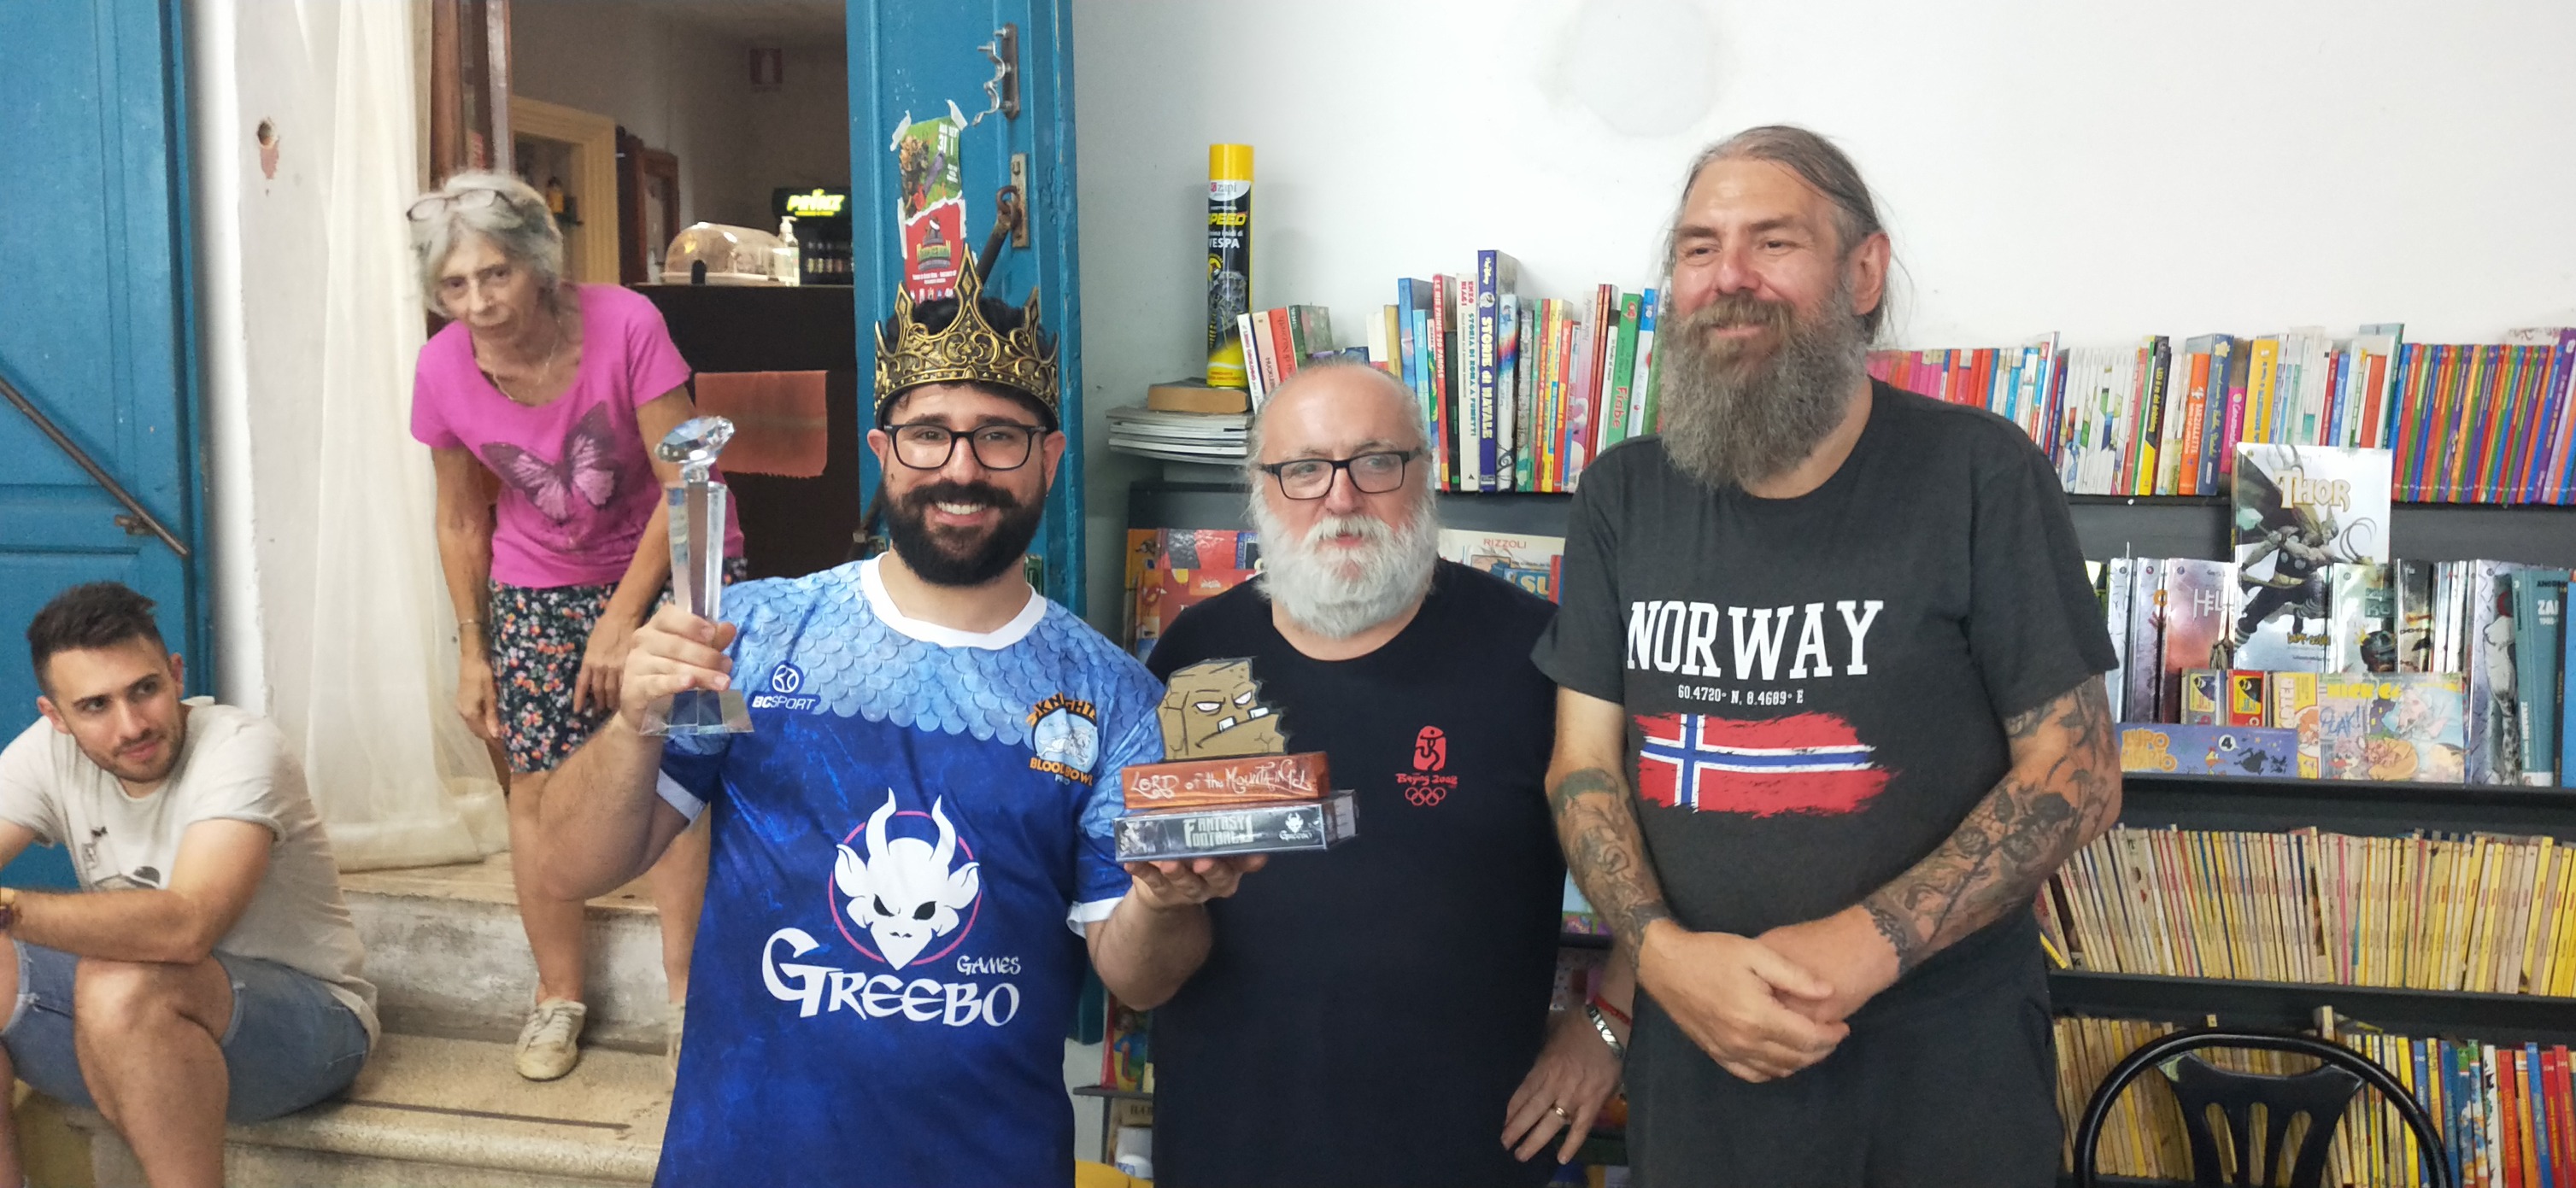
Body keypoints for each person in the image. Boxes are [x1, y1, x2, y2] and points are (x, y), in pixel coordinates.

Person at [535, 255, 1244, 1187]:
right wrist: (634, 723)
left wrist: (1163, 897)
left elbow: (1143, 976)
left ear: (1049, 458)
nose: (961, 468)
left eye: (999, 436)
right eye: (928, 435)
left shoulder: (1110, 695)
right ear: (883, 451)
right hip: (745, 1161)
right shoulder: (753, 634)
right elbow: (569, 864)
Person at [1533, 126, 2122, 1185]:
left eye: (1773, 242)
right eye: (1699, 247)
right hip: (1700, 1065)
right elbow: (1583, 765)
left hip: (1944, 1074)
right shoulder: (1623, 494)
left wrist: (1866, 944)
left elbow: (2077, 774)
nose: (1730, 277)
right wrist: (1663, 957)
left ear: (1863, 272)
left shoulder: (1979, 474)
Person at [1135, 361, 1629, 1187]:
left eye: (1374, 462)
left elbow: (1672, 848)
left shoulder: (1541, 654)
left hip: (1471, 1152)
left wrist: (1609, 1021)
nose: (1340, 498)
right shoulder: (1192, 654)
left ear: (1423, 473)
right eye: (1304, 469)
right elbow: (1149, 908)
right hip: (1227, 1146)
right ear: (1259, 489)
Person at [406, 171, 740, 1080]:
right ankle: (557, 992)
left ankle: (687, 995)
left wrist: (624, 619)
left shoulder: (627, 323)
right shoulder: (440, 367)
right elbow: (460, 517)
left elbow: (688, 483)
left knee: (677, 770)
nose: (478, 303)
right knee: (534, 781)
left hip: (672, 558)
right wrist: (472, 646)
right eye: (454, 285)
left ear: (538, 264)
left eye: (496, 274)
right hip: (537, 581)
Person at [0, 582, 377, 1188]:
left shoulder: (240, 749)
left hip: (309, 1028)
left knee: (123, 979)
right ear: (57, 717)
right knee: (110, 983)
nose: (131, 725)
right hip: (132, 1028)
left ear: (176, 675)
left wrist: (12, 909)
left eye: (144, 689)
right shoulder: (47, 754)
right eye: (95, 706)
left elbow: (186, 927)